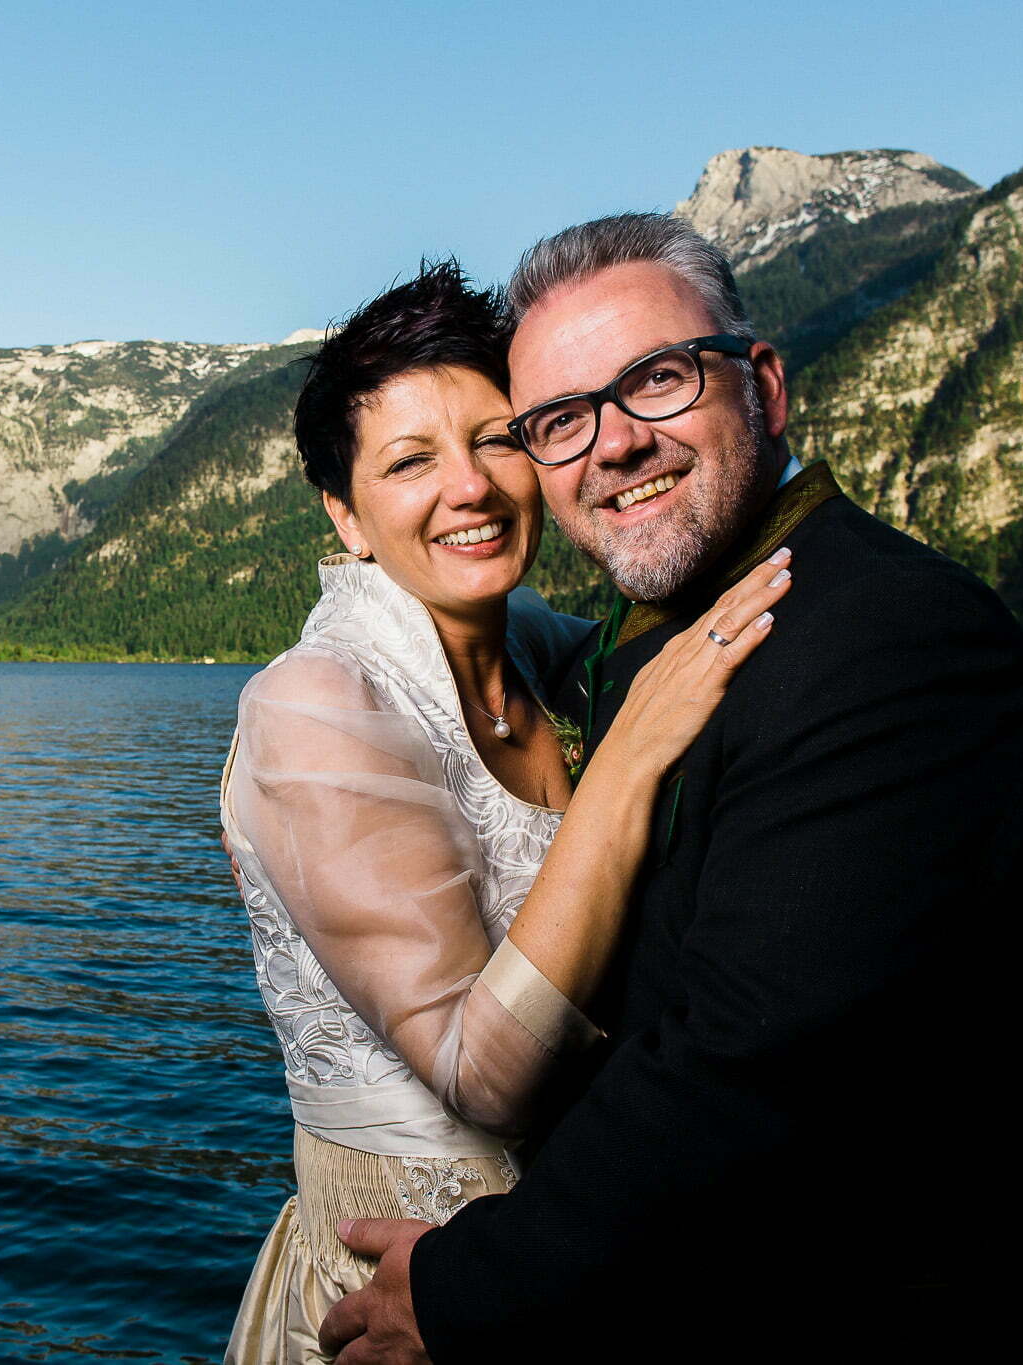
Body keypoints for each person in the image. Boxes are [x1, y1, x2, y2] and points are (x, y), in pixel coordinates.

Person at [318, 214, 1023, 1362]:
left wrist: (462, 1287)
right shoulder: (683, 631)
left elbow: (748, 1075)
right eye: (559, 419)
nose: (610, 445)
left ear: (761, 386)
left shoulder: (888, 643)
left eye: (654, 380)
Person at [220, 261, 797, 1364]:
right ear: (344, 515)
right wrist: (623, 769)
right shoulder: (315, 705)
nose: (470, 488)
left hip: (585, 1264)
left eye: (495, 439)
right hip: (402, 1298)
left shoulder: (534, 643)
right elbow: (474, 1077)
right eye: (407, 463)